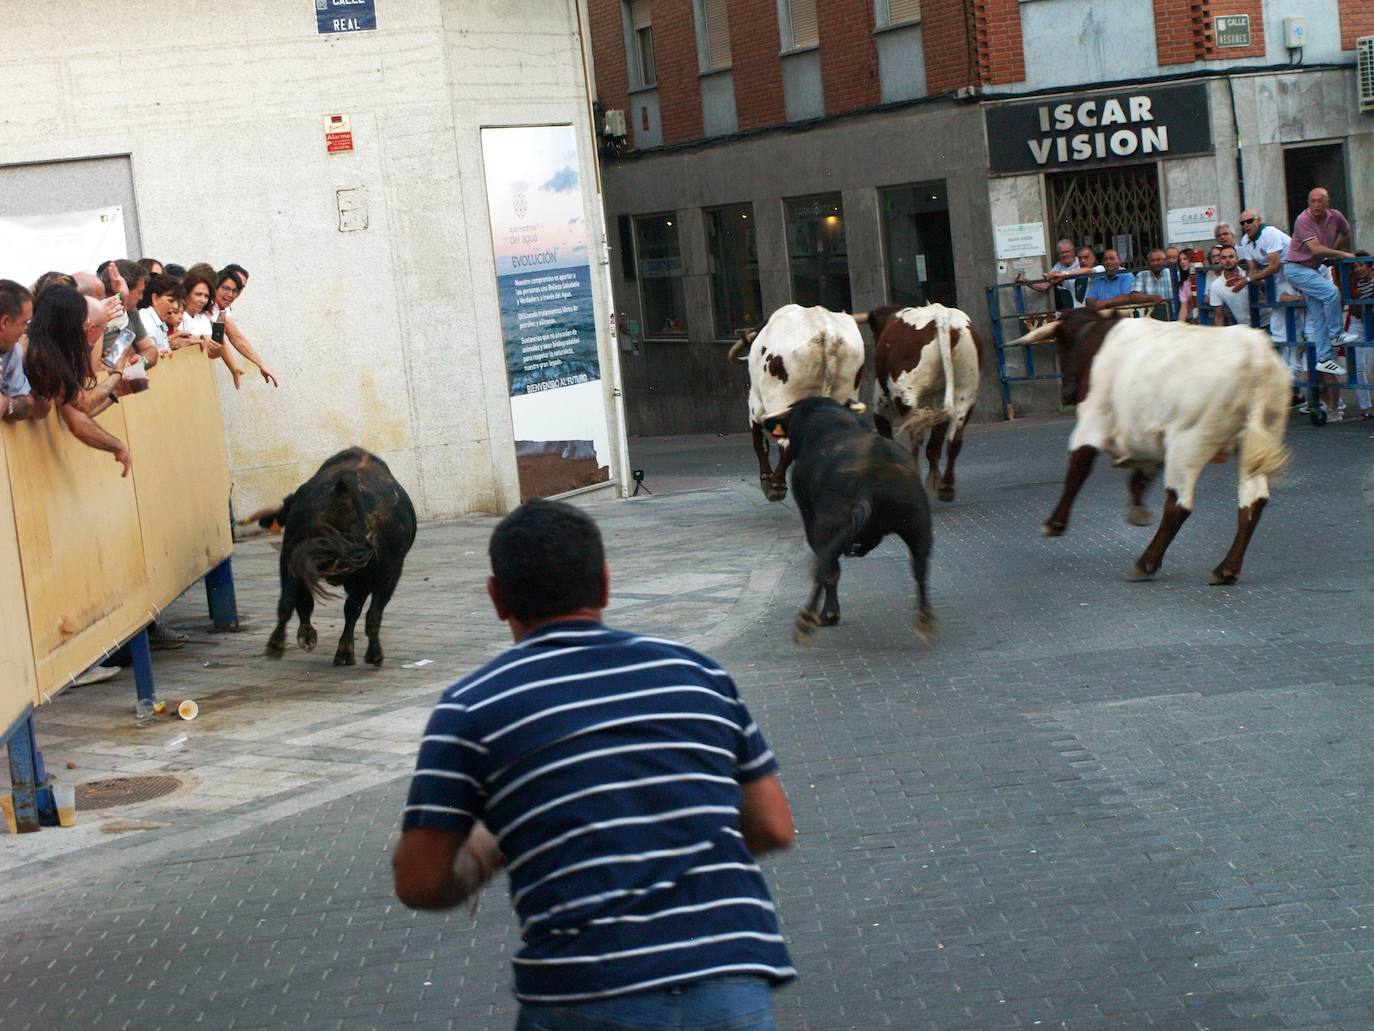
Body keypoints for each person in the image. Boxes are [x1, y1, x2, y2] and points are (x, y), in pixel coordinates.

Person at [393, 499, 796, 1030]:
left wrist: (484, 854)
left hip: (586, 993)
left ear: (496, 598)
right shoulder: (696, 673)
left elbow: (420, 880)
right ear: (605, 584)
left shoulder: (472, 707)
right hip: (729, 985)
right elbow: (773, 825)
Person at [22, 286, 133, 475]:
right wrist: (117, 374)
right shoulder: (42, 353)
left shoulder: (45, 344)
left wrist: (116, 445)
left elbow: (78, 418)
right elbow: (84, 403)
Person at [1282, 187, 1355, 376]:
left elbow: (1346, 232)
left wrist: (1332, 250)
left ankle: (1324, 359)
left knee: (1319, 316)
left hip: (1310, 269)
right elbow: (1315, 249)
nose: (1315, 205)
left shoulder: (1335, 216)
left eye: (1320, 201)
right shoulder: (1303, 219)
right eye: (1312, 201)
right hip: (1296, 268)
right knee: (1331, 293)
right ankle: (1337, 334)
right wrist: (1341, 253)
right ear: (1308, 203)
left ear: (1327, 203)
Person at [211, 269, 278, 386]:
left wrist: (234, 368)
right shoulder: (207, 302)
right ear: (216, 284)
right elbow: (235, 337)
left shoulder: (223, 309)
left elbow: (224, 338)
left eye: (237, 289)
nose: (231, 294)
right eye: (226, 288)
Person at [1084, 249, 1159, 311]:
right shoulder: (1098, 278)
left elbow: (1127, 298)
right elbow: (1089, 300)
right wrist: (1096, 304)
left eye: (1112, 259)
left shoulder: (1126, 275)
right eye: (1105, 259)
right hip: (1101, 315)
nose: (1108, 262)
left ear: (1119, 261)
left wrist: (1104, 303)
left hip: (1122, 315)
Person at [1014, 239, 1079, 310]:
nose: (1064, 255)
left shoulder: (1080, 263)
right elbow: (1043, 286)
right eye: (1061, 252)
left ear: (1073, 251)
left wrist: (1059, 275)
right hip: (1068, 307)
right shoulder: (1058, 267)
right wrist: (1024, 280)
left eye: (1067, 251)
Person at [1206, 245, 1252, 326]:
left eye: (1231, 257)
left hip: (1267, 321)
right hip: (1244, 327)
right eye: (1224, 258)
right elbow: (1219, 316)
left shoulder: (1249, 274)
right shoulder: (1216, 286)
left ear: (1237, 259)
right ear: (1220, 261)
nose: (1227, 260)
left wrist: (1246, 280)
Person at [1134, 247, 1172, 318]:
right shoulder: (1142, 275)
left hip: (1172, 317)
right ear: (1148, 262)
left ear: (1165, 261)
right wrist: (1150, 298)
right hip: (1149, 319)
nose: (1155, 263)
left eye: (1158, 260)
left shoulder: (1172, 275)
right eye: (1152, 260)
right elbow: (1134, 296)